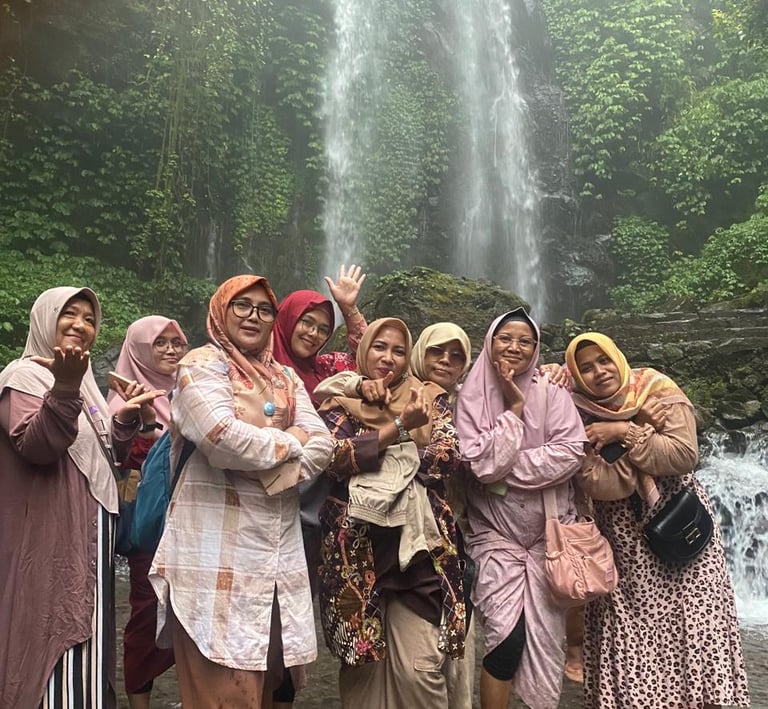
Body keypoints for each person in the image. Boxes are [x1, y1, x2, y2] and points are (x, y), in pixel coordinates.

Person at [149, 275, 334, 708]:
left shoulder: (285, 376)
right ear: (221, 310)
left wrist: (267, 456)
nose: (254, 316)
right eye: (242, 305)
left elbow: (324, 444)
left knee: (262, 688)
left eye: (265, 309)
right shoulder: (200, 364)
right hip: (213, 553)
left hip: (274, 557)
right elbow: (218, 436)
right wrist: (291, 441)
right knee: (222, 691)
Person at [564, 332, 750, 708]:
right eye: (586, 367)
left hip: (684, 529)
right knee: (633, 636)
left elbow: (681, 456)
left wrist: (623, 431)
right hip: (624, 544)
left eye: (604, 360)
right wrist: (644, 432)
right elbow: (598, 483)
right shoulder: (573, 411)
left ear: (618, 357)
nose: (599, 372)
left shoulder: (656, 388)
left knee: (699, 625)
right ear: (577, 376)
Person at [0, 286, 162, 708]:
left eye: (90, 319)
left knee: (88, 634)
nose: (81, 325)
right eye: (69, 314)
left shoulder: (86, 386)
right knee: (54, 629)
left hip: (91, 539)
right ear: (45, 319)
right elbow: (37, 446)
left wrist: (123, 421)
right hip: (53, 536)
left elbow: (99, 459)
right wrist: (64, 388)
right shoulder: (23, 377)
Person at [314, 317, 466, 709]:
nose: (388, 358)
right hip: (356, 551)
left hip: (419, 552)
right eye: (380, 347)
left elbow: (446, 457)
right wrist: (402, 430)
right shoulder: (339, 399)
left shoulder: (428, 396)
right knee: (362, 671)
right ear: (364, 351)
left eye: (399, 351)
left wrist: (373, 450)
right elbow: (333, 458)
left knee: (421, 670)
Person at [454, 308, 586, 709]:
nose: (514, 347)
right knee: (505, 639)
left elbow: (571, 452)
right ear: (490, 342)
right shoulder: (471, 395)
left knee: (545, 641)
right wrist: (513, 410)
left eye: (525, 341)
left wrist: (504, 467)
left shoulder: (552, 390)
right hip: (494, 538)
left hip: (549, 538)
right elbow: (479, 465)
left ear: (536, 348)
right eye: (505, 338)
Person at [269, 265, 367, 708]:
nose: (313, 333)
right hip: (263, 506)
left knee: (293, 612)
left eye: (323, 328)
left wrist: (350, 310)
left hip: (312, 516)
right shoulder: (258, 365)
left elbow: (371, 359)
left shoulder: (326, 368)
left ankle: (282, 694)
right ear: (286, 320)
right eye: (306, 322)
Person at [107, 315, 188, 709]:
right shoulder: (119, 401)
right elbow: (122, 460)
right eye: (160, 343)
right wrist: (147, 425)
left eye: (177, 343)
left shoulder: (193, 391)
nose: (171, 350)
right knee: (146, 613)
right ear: (140, 348)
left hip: (194, 519)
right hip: (150, 526)